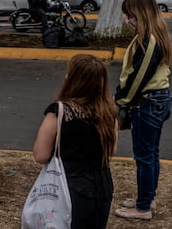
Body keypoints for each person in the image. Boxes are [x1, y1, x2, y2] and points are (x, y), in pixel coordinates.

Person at [33, 54, 119, 229]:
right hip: (102, 186)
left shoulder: (60, 111)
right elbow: (111, 150)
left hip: (68, 186)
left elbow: (40, 155)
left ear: (72, 79)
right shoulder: (109, 113)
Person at [114, 0, 172, 220]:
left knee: (144, 157)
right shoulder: (152, 36)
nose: (127, 20)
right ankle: (147, 198)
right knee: (151, 154)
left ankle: (142, 208)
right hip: (156, 101)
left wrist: (120, 100)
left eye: (130, 16)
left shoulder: (149, 40)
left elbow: (138, 77)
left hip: (147, 103)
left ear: (141, 14)